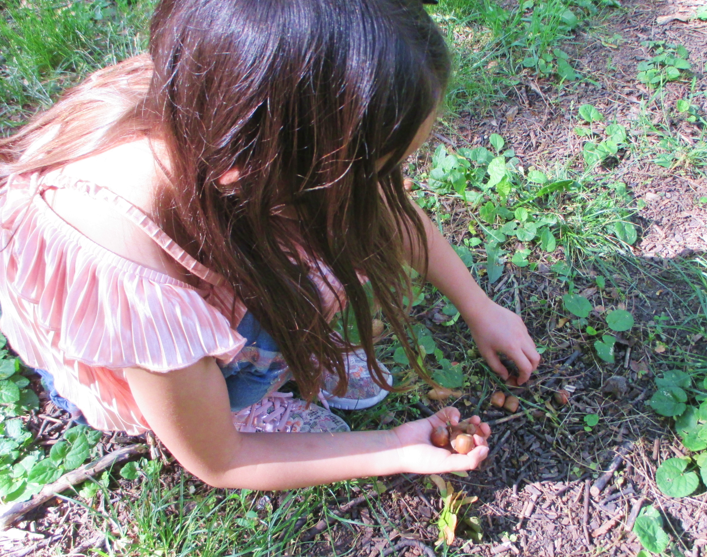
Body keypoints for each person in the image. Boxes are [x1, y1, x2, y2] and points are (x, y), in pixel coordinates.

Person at [0, 0, 539, 491]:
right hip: (125, 353)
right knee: (300, 287)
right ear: (276, 164)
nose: (387, 185)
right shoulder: (134, 284)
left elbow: (372, 204)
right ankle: (241, 403)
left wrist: (478, 304)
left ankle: (265, 359)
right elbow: (221, 460)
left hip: (206, 249)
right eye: (372, 170)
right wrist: (394, 447)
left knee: (317, 260)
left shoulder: (228, 103)